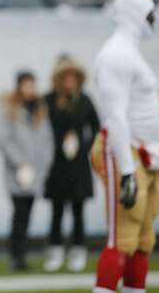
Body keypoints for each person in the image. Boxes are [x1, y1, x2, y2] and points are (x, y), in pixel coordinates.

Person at [91, 0, 159, 293]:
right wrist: (128, 171)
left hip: (143, 154)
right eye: (150, 13)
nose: (153, 20)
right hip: (125, 151)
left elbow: (139, 119)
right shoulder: (116, 55)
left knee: (143, 240)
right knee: (123, 237)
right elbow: (116, 117)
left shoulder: (128, 53)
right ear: (134, 13)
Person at [43, 55, 100, 272]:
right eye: (64, 76)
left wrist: (84, 145)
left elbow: (96, 127)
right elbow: (40, 130)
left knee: (78, 210)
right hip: (56, 164)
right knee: (57, 210)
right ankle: (55, 251)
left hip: (78, 166)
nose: (69, 80)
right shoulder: (48, 100)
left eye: (72, 76)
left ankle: (78, 251)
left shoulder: (84, 100)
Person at [0, 70, 54, 272]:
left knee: (27, 214)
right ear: (19, 86)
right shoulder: (10, 110)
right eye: (26, 84)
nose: (30, 89)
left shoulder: (39, 110)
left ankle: (22, 256)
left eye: (32, 84)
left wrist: (43, 166)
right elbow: (3, 140)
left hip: (36, 173)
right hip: (17, 174)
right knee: (19, 215)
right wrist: (21, 164)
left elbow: (47, 140)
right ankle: (16, 256)